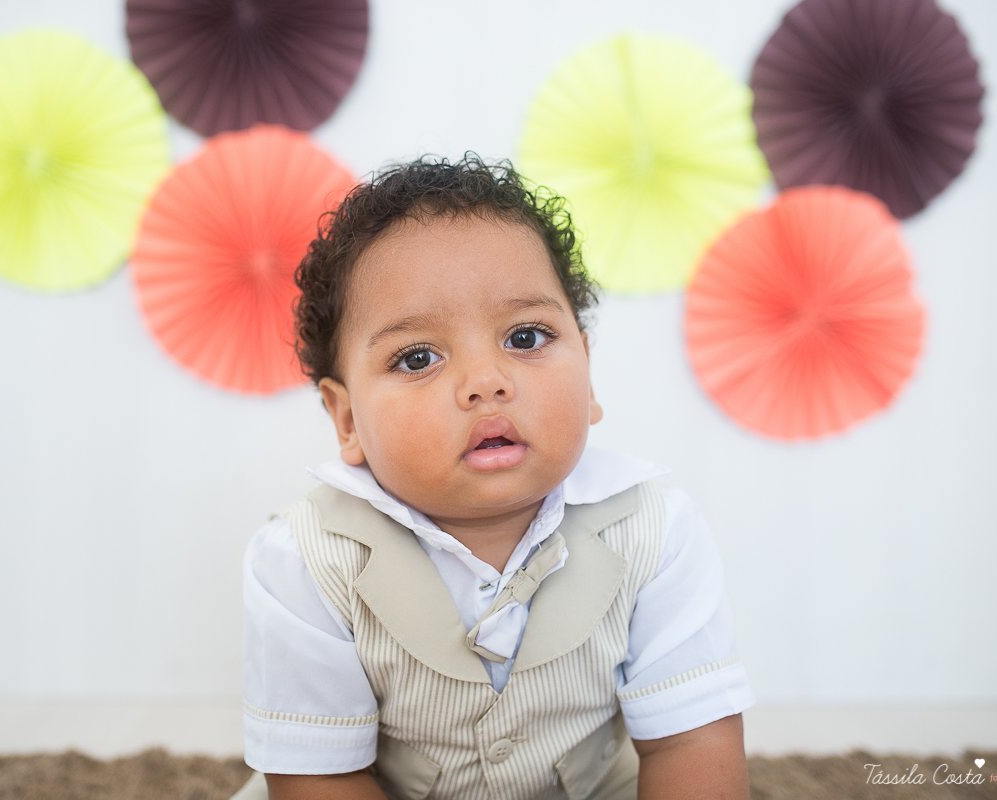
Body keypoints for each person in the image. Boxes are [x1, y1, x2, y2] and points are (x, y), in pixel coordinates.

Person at [235, 155, 753, 800]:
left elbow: (691, 740)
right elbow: (319, 775)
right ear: (347, 420)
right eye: (417, 357)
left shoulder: (654, 527)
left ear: (588, 373)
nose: (486, 382)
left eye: (527, 337)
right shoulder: (306, 560)